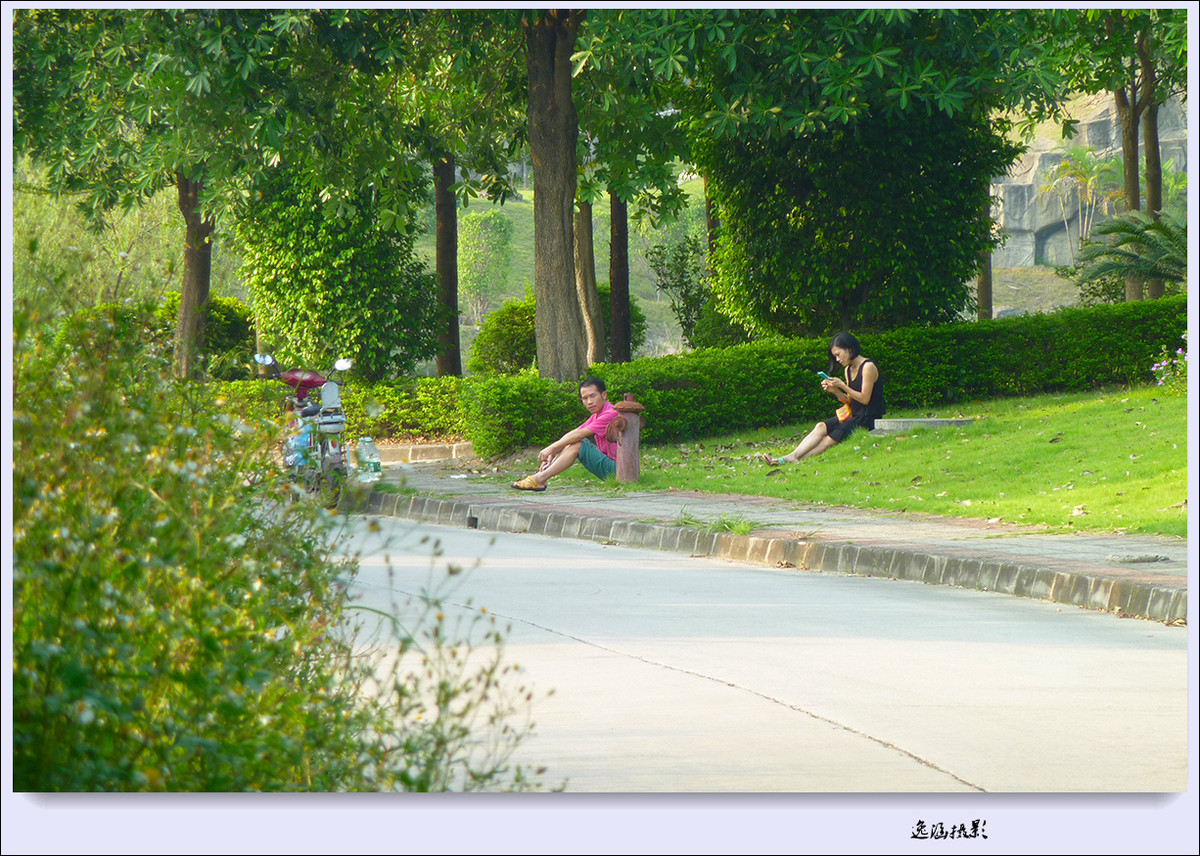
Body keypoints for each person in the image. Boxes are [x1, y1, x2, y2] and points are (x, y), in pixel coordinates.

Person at [762, 332, 885, 465]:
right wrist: (835, 391)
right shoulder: (848, 370)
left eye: (838, 354)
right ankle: (792, 456)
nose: (837, 359)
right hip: (853, 414)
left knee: (830, 438)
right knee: (821, 426)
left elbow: (865, 399)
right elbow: (850, 400)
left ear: (849, 349)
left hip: (868, 418)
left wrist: (842, 385)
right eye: (835, 356)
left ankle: (788, 460)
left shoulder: (868, 367)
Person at [512, 377, 619, 491]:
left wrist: (552, 448)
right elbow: (574, 433)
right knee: (573, 442)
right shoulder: (596, 416)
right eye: (585, 398)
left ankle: (540, 478)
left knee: (579, 444)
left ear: (604, 395)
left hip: (621, 472)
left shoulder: (611, 414)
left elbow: (580, 435)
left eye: (593, 396)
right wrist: (554, 451)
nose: (589, 402)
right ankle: (540, 476)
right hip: (615, 469)